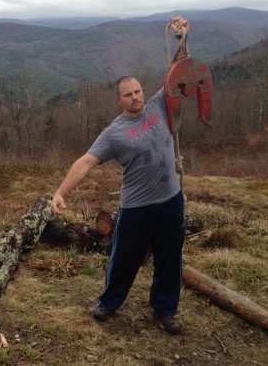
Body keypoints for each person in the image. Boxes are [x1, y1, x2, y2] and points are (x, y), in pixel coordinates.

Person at [51, 75, 185, 334]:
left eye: (137, 91)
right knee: (124, 257)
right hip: (136, 208)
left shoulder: (159, 104)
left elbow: (179, 71)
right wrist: (60, 192)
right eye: (128, 94)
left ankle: (165, 310)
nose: (135, 97)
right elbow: (86, 162)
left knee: (169, 258)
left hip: (171, 200)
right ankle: (109, 303)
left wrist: (180, 37)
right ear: (118, 100)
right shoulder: (114, 132)